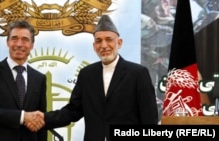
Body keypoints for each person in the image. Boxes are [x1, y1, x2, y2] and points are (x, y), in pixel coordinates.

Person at [28, 15, 159, 141]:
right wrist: (44, 118)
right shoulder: (86, 74)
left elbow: (149, 118)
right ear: (94, 46)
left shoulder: (138, 73)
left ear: (119, 43)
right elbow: (73, 111)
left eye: (109, 39)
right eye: (98, 41)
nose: (103, 45)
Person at [0, 20, 47, 141]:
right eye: (14, 38)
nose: (19, 44)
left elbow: (40, 120)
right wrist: (22, 116)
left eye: (25, 39)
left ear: (32, 45)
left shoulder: (39, 78)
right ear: (8, 42)